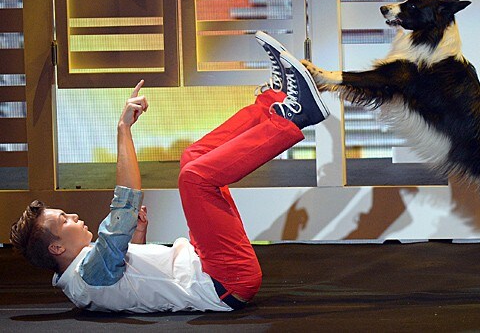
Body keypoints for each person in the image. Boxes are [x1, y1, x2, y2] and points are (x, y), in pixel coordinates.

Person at [9, 32, 330, 312]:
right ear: (57, 248)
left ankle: (273, 102)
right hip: (223, 281)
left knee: (193, 157)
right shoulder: (88, 274)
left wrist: (137, 237)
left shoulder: (86, 275)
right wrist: (123, 129)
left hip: (205, 261)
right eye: (64, 220)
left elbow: (133, 282)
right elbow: (126, 202)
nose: (75, 217)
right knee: (195, 179)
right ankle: (294, 119)